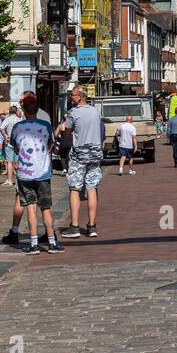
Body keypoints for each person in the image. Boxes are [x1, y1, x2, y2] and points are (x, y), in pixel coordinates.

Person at [5, 93, 61, 253]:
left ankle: (34, 243)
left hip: (25, 174)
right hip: (43, 173)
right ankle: (52, 242)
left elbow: (15, 147)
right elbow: (50, 144)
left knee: (30, 207)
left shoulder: (17, 127)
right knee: (46, 208)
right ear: (36, 109)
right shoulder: (46, 126)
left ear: (23, 109)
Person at [56, 87, 105, 239]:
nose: (71, 97)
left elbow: (67, 130)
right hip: (95, 153)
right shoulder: (95, 111)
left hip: (80, 153)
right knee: (91, 188)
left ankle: (75, 226)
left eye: (73, 95)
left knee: (75, 188)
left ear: (80, 97)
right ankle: (91, 226)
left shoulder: (73, 113)